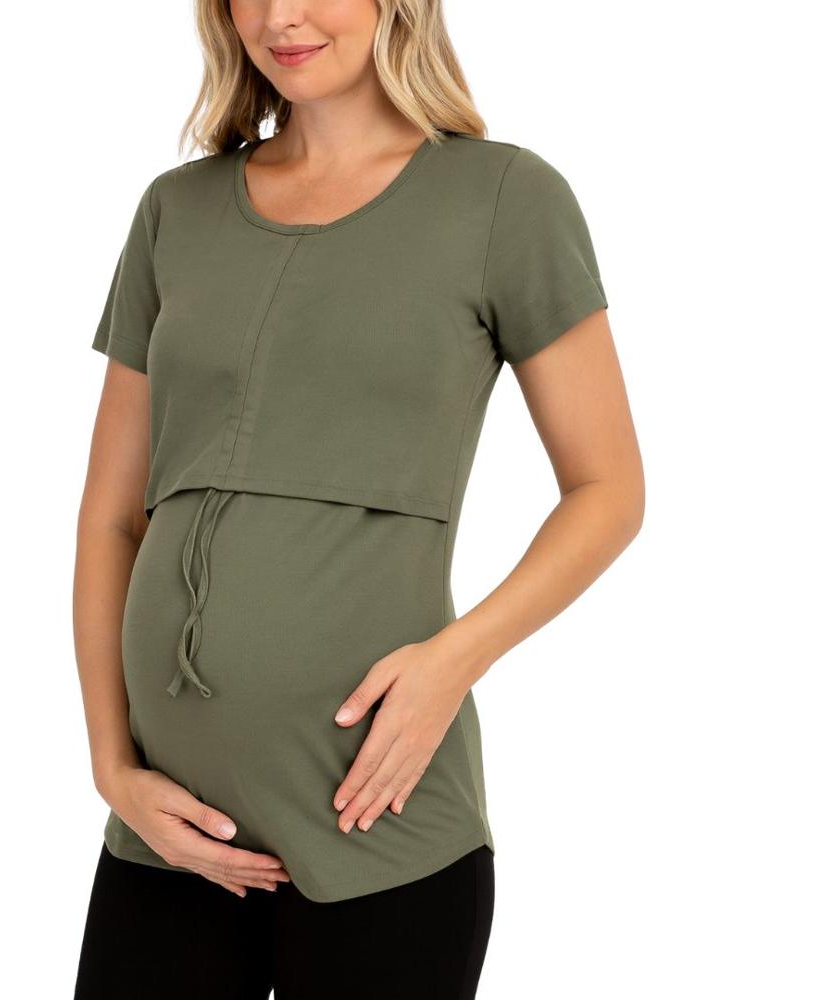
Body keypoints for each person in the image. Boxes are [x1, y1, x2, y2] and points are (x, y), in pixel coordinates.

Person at [72, 1, 644, 996]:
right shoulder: (176, 210)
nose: (279, 17)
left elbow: (608, 489)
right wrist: (112, 768)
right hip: (170, 832)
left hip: (377, 821)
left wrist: (451, 663)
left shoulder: (504, 198)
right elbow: (112, 518)